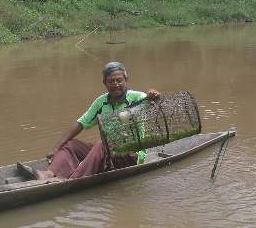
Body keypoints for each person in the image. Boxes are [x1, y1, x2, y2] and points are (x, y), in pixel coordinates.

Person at [19, 62, 159, 180]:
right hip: (107, 152)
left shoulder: (137, 98)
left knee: (101, 145)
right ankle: (48, 174)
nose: (116, 84)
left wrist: (153, 96)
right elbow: (81, 124)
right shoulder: (101, 102)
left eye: (119, 80)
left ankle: (75, 179)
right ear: (105, 83)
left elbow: (151, 100)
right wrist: (56, 148)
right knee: (71, 145)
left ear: (126, 80)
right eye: (111, 81)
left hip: (131, 156)